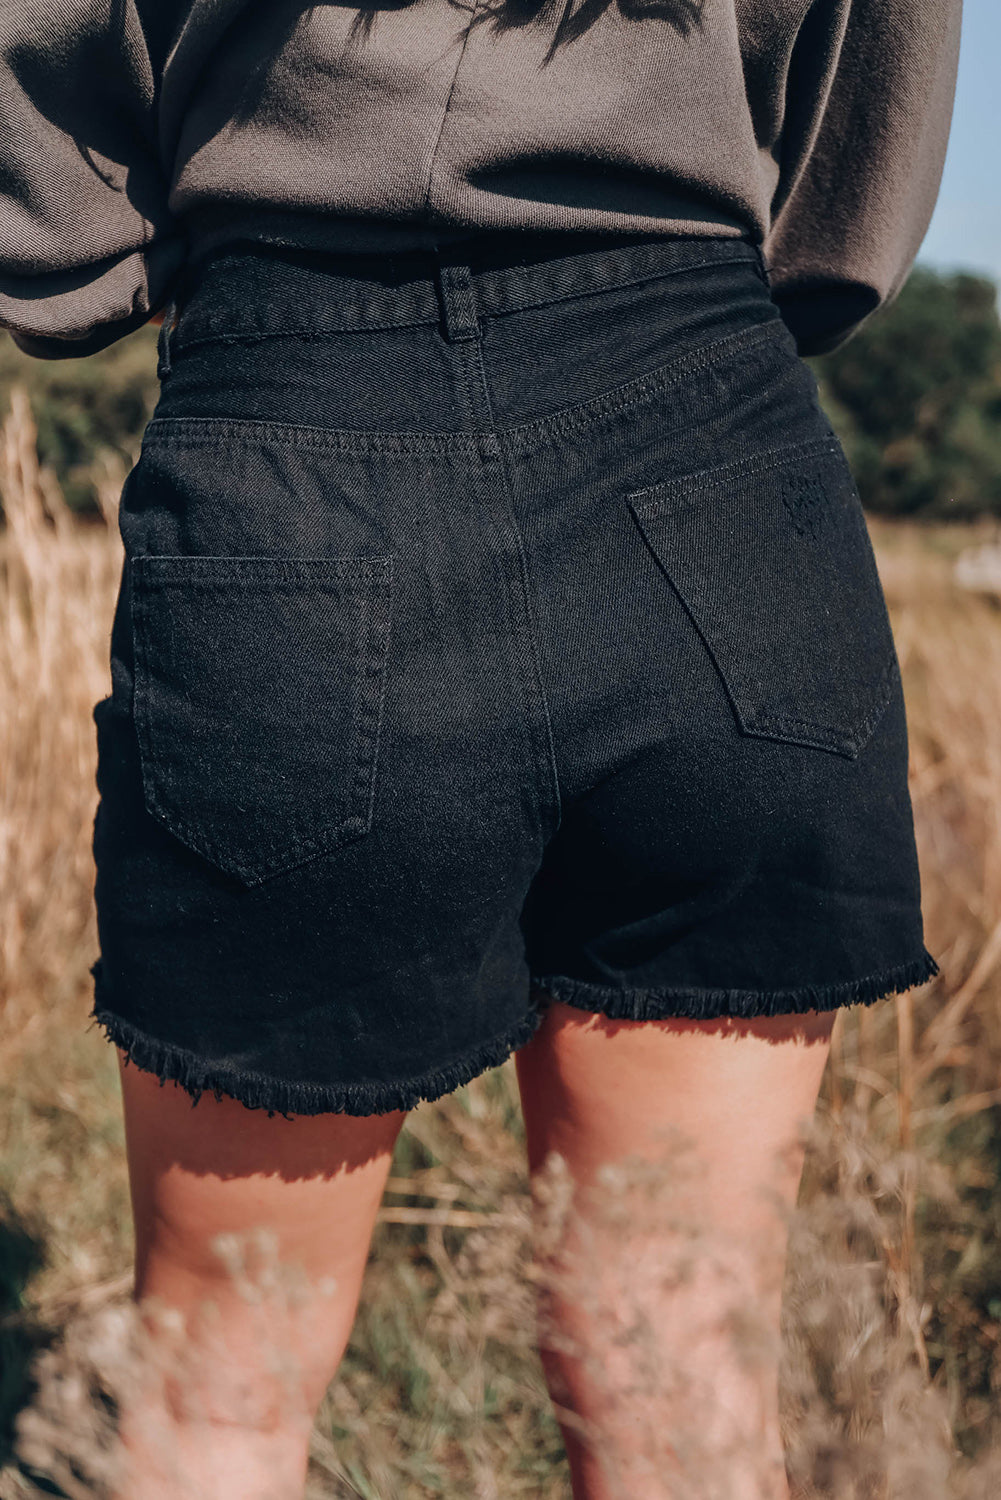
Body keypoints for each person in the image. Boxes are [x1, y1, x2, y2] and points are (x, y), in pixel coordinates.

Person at [0, 3, 961, 1497]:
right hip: (709, 454)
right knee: (684, 1376)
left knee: (216, 1398)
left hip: (303, 442)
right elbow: (865, 89)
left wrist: (109, 252)